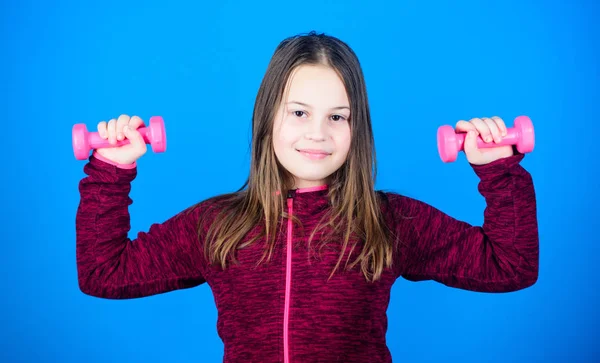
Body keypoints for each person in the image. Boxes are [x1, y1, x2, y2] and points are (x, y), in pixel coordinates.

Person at [75, 31, 539, 363]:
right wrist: (112, 170)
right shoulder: (218, 225)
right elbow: (103, 274)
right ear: (268, 118)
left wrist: (498, 168)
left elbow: (510, 265)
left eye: (338, 117)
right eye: (299, 112)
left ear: (357, 129)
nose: (317, 134)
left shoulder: (389, 221)